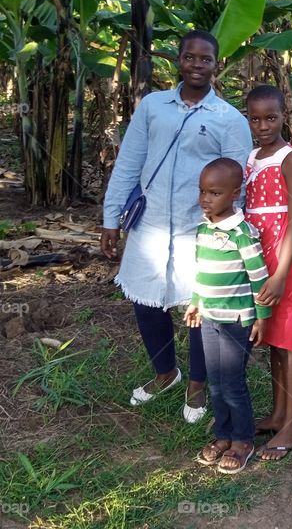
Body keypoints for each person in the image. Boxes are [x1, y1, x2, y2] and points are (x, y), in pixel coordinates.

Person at [100, 30, 252, 423]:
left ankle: (198, 384)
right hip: (149, 225)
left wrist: (235, 234)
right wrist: (110, 219)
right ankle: (165, 373)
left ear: (217, 65)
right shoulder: (153, 106)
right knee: (146, 300)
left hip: (199, 228)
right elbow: (129, 163)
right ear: (178, 61)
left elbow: (240, 182)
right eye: (190, 57)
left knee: (198, 306)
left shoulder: (230, 119)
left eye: (205, 59)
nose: (197, 65)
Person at [244, 84, 292, 460]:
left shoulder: (290, 159)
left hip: (285, 258)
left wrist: (280, 274)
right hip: (261, 255)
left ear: (283, 117)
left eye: (270, 118)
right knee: (273, 336)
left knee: (291, 340)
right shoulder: (252, 156)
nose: (263, 126)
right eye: (255, 119)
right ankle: (276, 414)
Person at [184, 158, 269, 474]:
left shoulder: (242, 233)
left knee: (233, 382)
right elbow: (202, 271)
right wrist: (195, 302)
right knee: (216, 381)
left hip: (236, 321)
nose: (206, 199)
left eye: (215, 193)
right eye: (203, 191)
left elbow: (259, 278)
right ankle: (222, 434)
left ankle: (243, 440)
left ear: (235, 193)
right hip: (208, 317)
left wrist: (262, 317)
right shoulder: (204, 228)